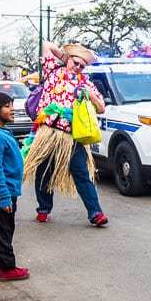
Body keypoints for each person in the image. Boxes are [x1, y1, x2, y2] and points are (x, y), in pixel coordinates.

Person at [24, 41, 109, 226]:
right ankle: (43, 209)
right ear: (68, 59)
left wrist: (90, 94)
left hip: (72, 137)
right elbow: (46, 45)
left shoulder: (86, 83)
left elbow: (101, 108)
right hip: (47, 133)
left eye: (82, 66)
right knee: (44, 172)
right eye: (75, 62)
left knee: (82, 174)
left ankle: (95, 213)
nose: (77, 67)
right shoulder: (53, 72)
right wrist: (65, 58)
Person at [0, 92, 29, 281]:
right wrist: (3, 196)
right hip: (0, 190)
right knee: (3, 229)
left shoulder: (3, 132)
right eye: (7, 106)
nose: (12, 110)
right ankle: (7, 268)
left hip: (5, 189)